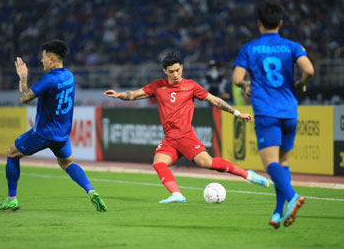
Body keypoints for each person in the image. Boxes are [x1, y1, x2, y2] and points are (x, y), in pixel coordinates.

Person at [103, 53, 269, 203]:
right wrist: (119, 95)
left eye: (177, 70)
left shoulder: (191, 86)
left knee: (207, 163)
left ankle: (247, 175)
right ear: (164, 71)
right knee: (159, 162)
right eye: (171, 72)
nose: (175, 74)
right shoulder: (158, 86)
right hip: (170, 139)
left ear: (182, 68)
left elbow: (215, 100)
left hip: (185, 136)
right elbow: (134, 94)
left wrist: (236, 113)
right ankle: (177, 194)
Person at [0, 40, 107, 212]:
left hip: (43, 133)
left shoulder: (49, 80)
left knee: (12, 153)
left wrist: (23, 78)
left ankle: (12, 199)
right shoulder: (69, 76)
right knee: (67, 163)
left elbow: (24, 98)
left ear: (52, 59)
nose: (41, 61)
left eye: (43, 57)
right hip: (62, 135)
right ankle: (90, 190)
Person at [233, 1, 315, 228]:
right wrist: (300, 83)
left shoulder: (249, 49)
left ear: (258, 23)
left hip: (266, 113)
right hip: (289, 112)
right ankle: (278, 212)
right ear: (280, 22)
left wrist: (245, 85)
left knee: (269, 164)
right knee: (283, 162)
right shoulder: (292, 46)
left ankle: (292, 197)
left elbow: (237, 79)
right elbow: (309, 70)